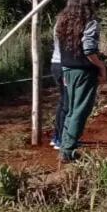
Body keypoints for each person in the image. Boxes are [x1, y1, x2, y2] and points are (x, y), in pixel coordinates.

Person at [56, 0, 107, 163]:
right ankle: (68, 150)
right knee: (80, 110)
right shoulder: (90, 22)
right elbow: (89, 49)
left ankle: (65, 146)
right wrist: (101, 66)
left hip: (68, 69)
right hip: (84, 71)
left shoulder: (63, 20)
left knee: (71, 110)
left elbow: (60, 47)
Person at [49, 22, 67, 151]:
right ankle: (61, 138)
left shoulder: (60, 22)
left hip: (56, 63)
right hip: (65, 65)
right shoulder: (69, 23)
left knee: (63, 102)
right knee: (67, 103)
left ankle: (57, 137)